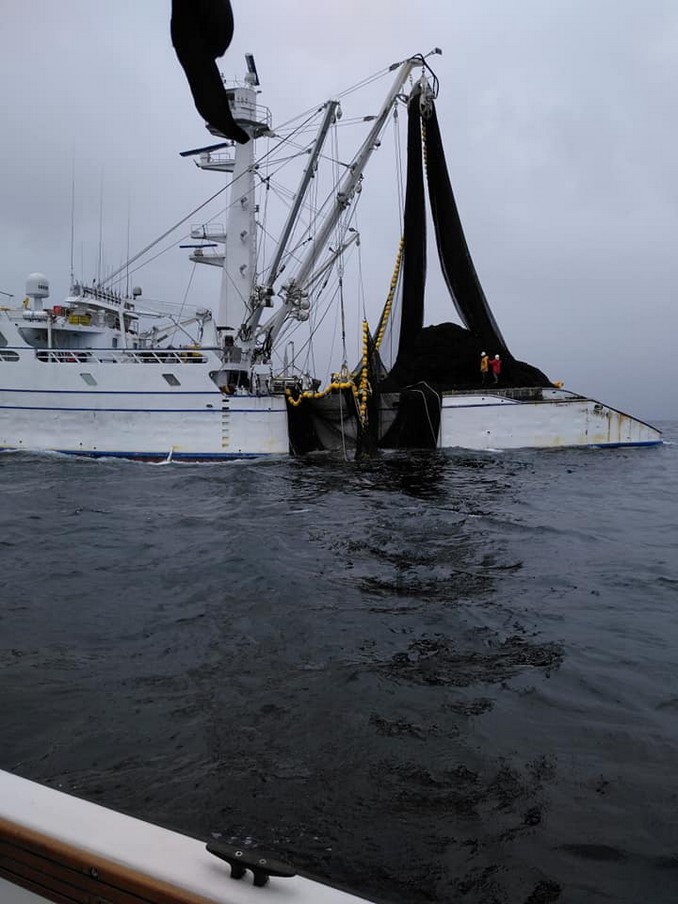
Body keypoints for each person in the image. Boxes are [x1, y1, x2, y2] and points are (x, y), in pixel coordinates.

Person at [171, 0, 250, 144]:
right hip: (201, 33)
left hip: (199, 34)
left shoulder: (190, 40)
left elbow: (203, 83)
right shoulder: (192, 40)